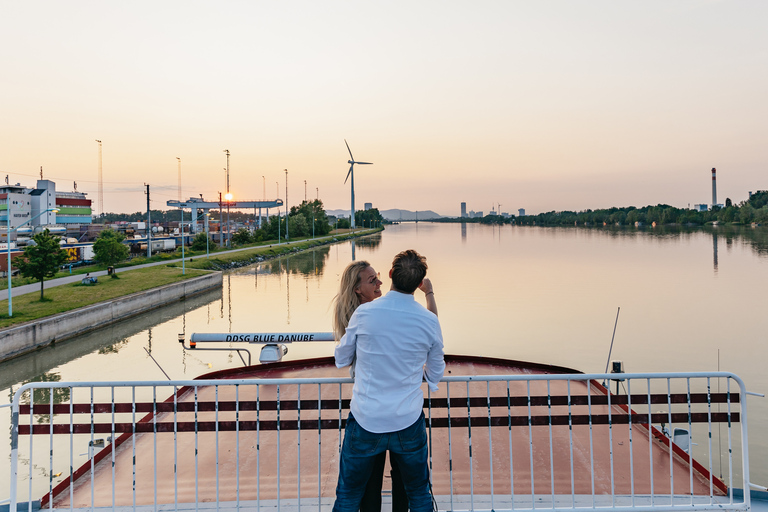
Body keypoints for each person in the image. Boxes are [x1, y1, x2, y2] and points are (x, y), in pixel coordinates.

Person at [332, 250, 445, 512]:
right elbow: (436, 374)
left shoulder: (364, 314)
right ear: (419, 282)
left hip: (366, 419)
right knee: (418, 494)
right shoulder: (429, 321)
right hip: (407, 420)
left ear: (391, 274)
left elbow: (342, 359)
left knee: (349, 494)